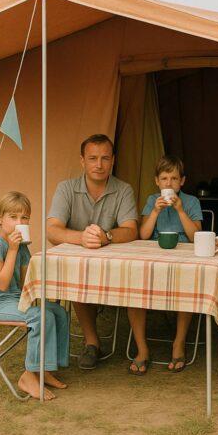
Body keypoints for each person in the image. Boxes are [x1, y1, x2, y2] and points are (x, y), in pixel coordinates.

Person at [47, 134, 139, 369]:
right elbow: (52, 230)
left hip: (115, 264)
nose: (99, 165)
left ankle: (140, 346)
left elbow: (131, 230)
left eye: (105, 158)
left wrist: (106, 237)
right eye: (93, 158)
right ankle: (92, 342)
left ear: (113, 160)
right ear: (82, 161)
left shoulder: (123, 189)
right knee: (76, 274)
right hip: (81, 266)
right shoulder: (66, 188)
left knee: (138, 274)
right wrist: (82, 238)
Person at [0, 191, 69, 400]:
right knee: (40, 316)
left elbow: (25, 280)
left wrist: (31, 259)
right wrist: (12, 249)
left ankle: (45, 369)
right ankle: (28, 375)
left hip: (14, 299)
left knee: (59, 312)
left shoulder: (21, 245)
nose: (20, 222)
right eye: (13, 217)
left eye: (24, 218)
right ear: (0, 219)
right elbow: (1, 283)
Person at [127, 154, 203, 375]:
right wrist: (156, 211)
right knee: (133, 289)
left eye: (174, 179)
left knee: (186, 288)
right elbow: (142, 235)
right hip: (154, 254)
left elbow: (196, 236)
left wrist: (180, 210)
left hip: (183, 254)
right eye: (164, 179)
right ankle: (142, 349)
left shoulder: (191, 202)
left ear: (182, 181)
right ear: (157, 182)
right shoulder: (152, 200)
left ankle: (178, 344)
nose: (169, 183)